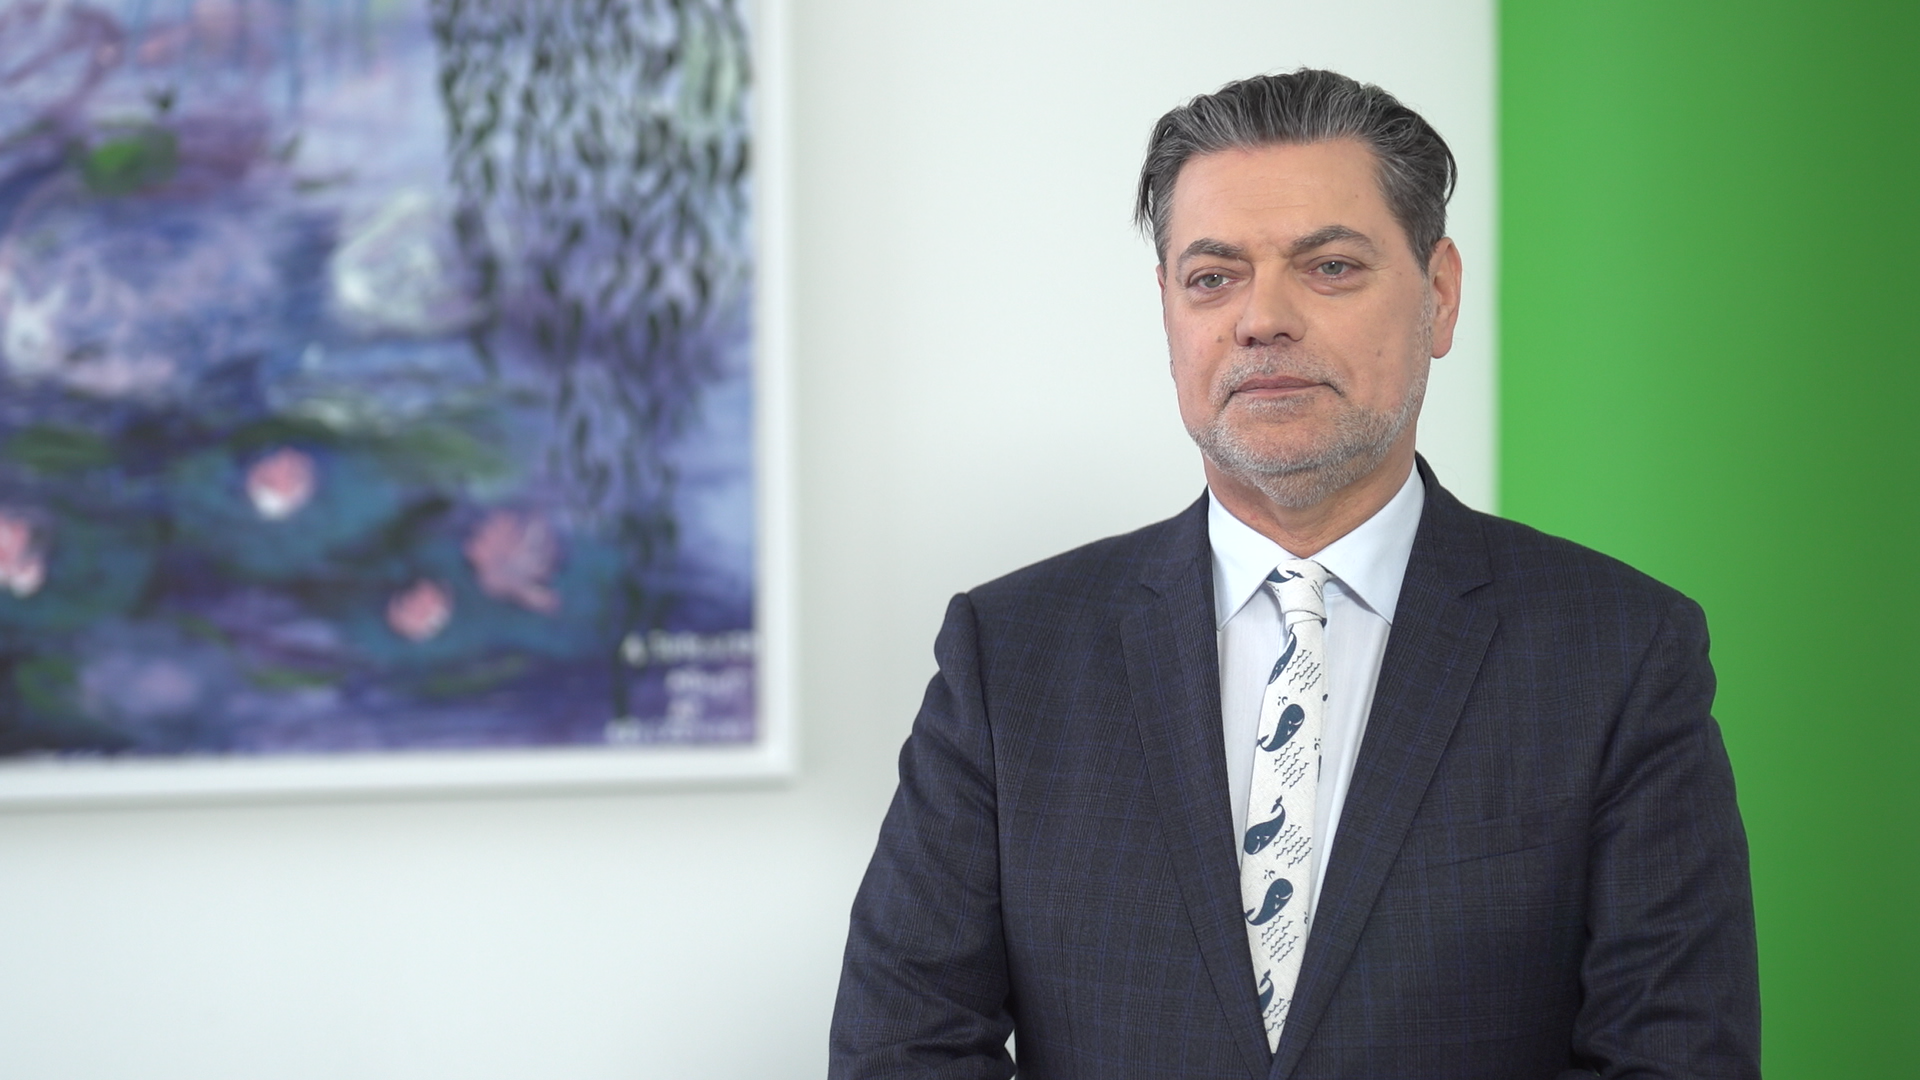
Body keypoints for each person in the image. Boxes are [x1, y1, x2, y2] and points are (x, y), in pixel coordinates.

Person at [828, 69, 1759, 1080]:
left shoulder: (1619, 654)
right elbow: (903, 1048)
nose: (1261, 318)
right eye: (1212, 277)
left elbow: (1674, 1057)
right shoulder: (1009, 656)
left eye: (1330, 267)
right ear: (1168, 311)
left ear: (1440, 296)